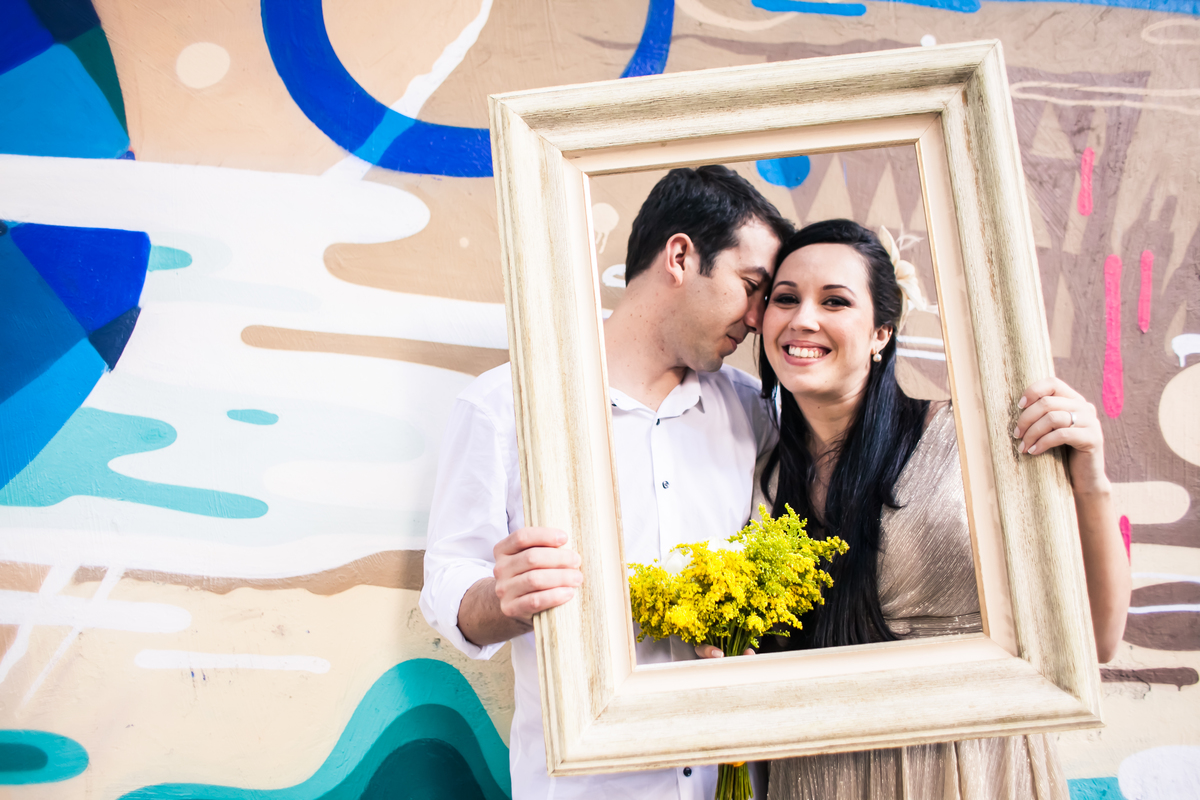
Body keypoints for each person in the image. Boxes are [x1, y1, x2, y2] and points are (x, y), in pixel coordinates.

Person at [420, 165, 794, 799]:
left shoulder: (756, 411)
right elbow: (448, 588)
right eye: (752, 286)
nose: (759, 317)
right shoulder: (505, 406)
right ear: (681, 256)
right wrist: (502, 598)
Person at [752, 219, 1132, 800]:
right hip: (817, 776)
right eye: (785, 299)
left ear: (882, 332)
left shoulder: (970, 443)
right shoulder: (757, 471)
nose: (803, 319)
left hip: (972, 765)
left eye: (834, 301)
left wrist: (1091, 480)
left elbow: (1098, 640)